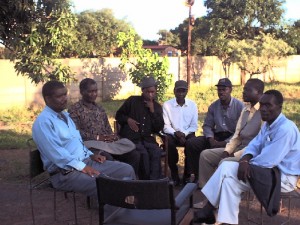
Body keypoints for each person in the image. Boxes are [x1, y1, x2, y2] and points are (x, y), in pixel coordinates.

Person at [194, 90, 300, 225]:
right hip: (267, 171)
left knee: (227, 166)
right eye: (262, 105)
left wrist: (246, 164)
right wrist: (245, 159)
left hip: (283, 178)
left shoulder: (285, 129)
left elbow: (268, 160)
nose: (263, 109)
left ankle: (207, 209)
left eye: (268, 105)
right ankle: (226, 221)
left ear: (280, 107)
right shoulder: (268, 124)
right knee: (229, 182)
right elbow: (255, 145)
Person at [32, 80, 135, 197]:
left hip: (85, 161)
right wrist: (84, 167)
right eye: (59, 96)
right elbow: (58, 154)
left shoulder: (64, 115)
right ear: (48, 99)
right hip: (66, 173)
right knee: (106, 185)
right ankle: (117, 211)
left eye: (65, 94)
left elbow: (77, 141)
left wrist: (90, 154)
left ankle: (128, 206)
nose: (64, 98)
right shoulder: (44, 123)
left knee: (126, 169)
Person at [196, 78, 264, 191]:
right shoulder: (245, 109)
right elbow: (237, 136)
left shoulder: (264, 112)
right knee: (205, 155)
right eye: (244, 89)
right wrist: (227, 151)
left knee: (224, 163)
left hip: (250, 153)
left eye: (247, 90)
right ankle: (207, 193)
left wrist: (235, 155)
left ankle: (216, 201)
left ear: (258, 92)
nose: (243, 92)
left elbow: (259, 142)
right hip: (237, 147)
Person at [68, 78, 140, 175]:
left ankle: (128, 181)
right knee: (107, 158)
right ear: (82, 92)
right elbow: (76, 132)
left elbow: (107, 126)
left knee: (133, 154)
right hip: (90, 145)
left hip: (107, 143)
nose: (94, 94)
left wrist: (111, 136)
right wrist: (97, 137)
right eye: (90, 91)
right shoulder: (75, 109)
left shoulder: (99, 108)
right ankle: (110, 184)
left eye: (95, 91)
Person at [184, 78, 244, 181]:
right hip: (216, 136)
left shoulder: (239, 106)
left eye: (223, 89)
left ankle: (217, 179)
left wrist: (223, 143)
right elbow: (207, 125)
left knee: (229, 144)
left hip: (232, 139)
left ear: (230, 90)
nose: (221, 92)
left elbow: (240, 132)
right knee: (191, 143)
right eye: (219, 90)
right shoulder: (214, 106)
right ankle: (197, 176)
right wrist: (211, 139)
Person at [115, 76, 164, 180]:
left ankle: (154, 182)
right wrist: (128, 120)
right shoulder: (132, 101)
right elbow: (119, 115)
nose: (150, 95)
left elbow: (158, 127)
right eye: (148, 92)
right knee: (143, 154)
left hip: (147, 139)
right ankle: (144, 181)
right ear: (143, 91)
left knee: (156, 151)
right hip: (132, 138)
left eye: (153, 92)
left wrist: (152, 111)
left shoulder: (157, 107)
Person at [162, 80, 199, 185]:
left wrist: (184, 134)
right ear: (174, 91)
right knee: (168, 144)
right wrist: (176, 133)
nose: (181, 94)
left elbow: (194, 126)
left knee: (192, 145)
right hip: (172, 133)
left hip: (188, 133)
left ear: (187, 92)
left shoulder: (192, 105)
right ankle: (174, 174)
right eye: (178, 91)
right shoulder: (167, 105)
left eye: (183, 91)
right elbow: (166, 125)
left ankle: (187, 175)